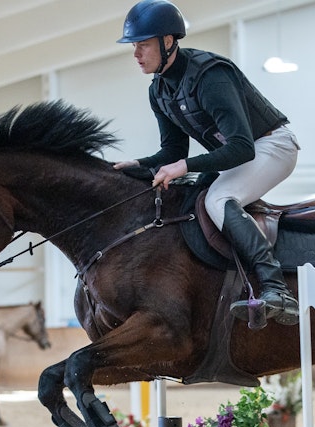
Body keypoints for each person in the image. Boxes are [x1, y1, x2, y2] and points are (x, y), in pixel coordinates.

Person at [112, 0, 300, 326]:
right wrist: (136, 166)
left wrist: (183, 167)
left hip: (272, 146)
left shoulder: (211, 76)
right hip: (236, 156)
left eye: (142, 44)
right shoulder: (159, 91)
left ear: (168, 41)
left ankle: (277, 290)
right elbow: (172, 150)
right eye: (134, 46)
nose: (136, 54)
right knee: (192, 194)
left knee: (218, 198)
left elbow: (242, 147)